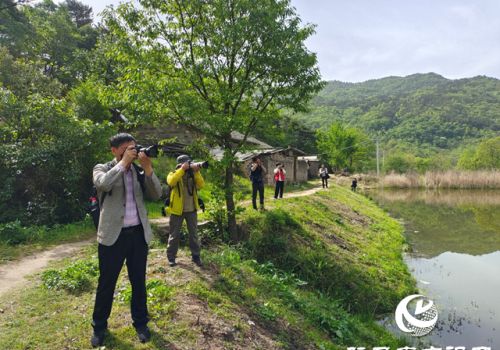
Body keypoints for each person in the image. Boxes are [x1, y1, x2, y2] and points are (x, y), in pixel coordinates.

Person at [90, 133, 162, 347]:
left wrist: (148, 169)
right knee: (106, 284)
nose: (132, 152)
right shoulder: (102, 168)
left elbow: (157, 194)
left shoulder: (139, 170)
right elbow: (102, 184)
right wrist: (123, 163)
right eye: (126, 149)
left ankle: (141, 323)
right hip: (113, 236)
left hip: (138, 235)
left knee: (139, 282)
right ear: (114, 150)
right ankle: (99, 327)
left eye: (134, 147)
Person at [165, 155, 205, 267]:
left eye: (188, 164)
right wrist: (181, 170)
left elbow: (201, 185)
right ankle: (171, 257)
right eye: (185, 164)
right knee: (174, 234)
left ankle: (196, 256)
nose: (187, 166)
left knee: (194, 234)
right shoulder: (173, 173)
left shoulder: (192, 175)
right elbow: (171, 182)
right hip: (176, 210)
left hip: (191, 209)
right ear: (179, 164)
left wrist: (196, 172)